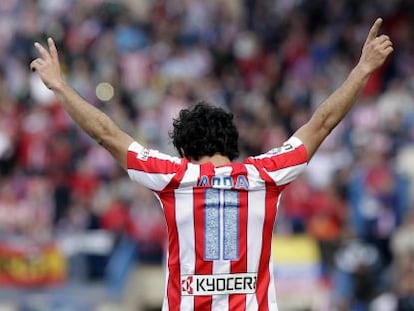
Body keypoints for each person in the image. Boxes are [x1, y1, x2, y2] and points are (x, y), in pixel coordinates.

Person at [30, 17, 393, 311]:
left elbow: (106, 133)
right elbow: (323, 122)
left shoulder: (173, 176)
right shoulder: (264, 174)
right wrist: (363, 69)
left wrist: (60, 87)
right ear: (232, 145)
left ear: (184, 150)